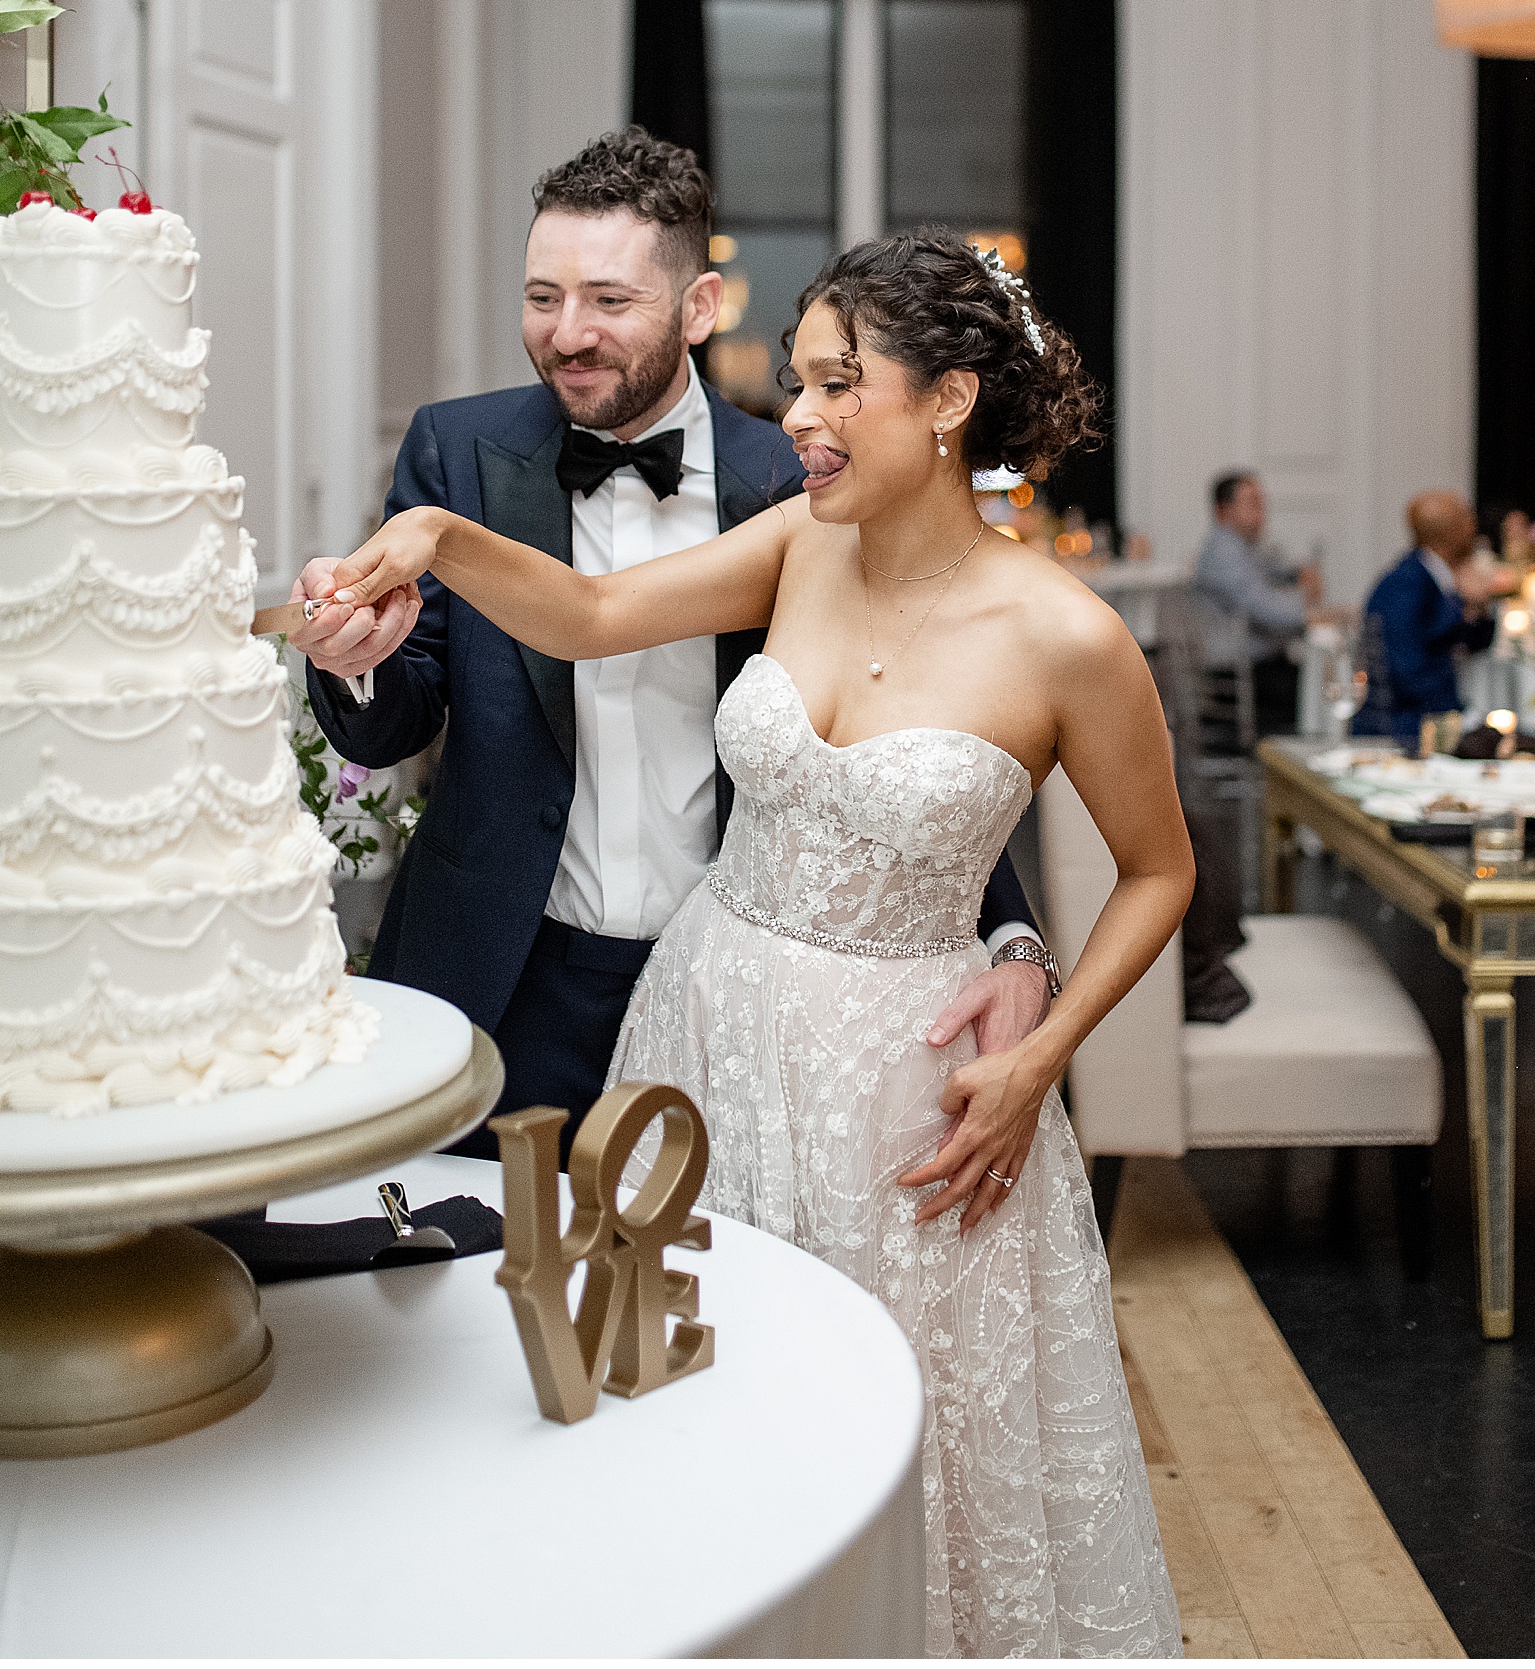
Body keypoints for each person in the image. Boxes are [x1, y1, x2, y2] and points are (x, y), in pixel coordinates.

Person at [322, 229, 1191, 1658]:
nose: (798, 416)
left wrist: (1041, 1050)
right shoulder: (801, 543)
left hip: (906, 1095)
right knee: (697, 1398)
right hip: (704, 1036)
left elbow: (1162, 870)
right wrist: (435, 538)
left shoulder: (1070, 636)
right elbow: (594, 614)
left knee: (910, 1439)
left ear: (950, 400)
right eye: (797, 380)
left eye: (840, 383)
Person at [284, 132, 1047, 1156]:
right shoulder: (455, 452)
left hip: (730, 989)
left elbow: (912, 732)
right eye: (542, 296)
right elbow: (400, 712)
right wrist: (354, 656)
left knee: (705, 1299)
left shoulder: (797, 483)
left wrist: (1013, 939)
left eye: (608, 299)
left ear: (698, 308)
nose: (566, 333)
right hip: (502, 976)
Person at [1353, 491, 1505, 745]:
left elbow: (1473, 642)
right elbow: (1406, 671)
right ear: (1450, 533)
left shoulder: (1436, 577)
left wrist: (1479, 605)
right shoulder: (1405, 584)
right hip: (1401, 729)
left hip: (1424, 720)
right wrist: (1461, 720)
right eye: (1467, 522)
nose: (1474, 529)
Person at [1193, 469, 1321, 735]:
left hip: (1255, 671)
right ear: (1224, 510)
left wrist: (1299, 573)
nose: (1262, 512)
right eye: (1252, 503)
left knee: (1314, 676)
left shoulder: (1243, 547)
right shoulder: (1223, 552)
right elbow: (1264, 608)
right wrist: (1313, 613)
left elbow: (1274, 567)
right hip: (1240, 677)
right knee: (1318, 685)